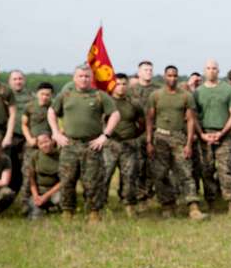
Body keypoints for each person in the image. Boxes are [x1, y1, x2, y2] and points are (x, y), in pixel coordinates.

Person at [48, 64, 120, 222]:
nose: (84, 79)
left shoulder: (99, 95)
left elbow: (114, 114)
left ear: (91, 78)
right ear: (74, 78)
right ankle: (67, 211)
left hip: (91, 146)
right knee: (67, 180)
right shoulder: (66, 95)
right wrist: (55, 133)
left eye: (87, 76)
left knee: (93, 181)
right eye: (80, 76)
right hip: (69, 145)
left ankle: (94, 212)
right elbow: (52, 112)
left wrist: (105, 136)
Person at [146, 65, 207, 220]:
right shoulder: (156, 95)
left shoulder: (186, 96)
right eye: (169, 75)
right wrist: (149, 141)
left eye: (174, 76)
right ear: (164, 76)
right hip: (160, 137)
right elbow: (150, 119)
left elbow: (191, 120)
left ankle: (193, 206)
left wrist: (188, 143)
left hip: (179, 137)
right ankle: (167, 205)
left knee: (186, 172)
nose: (172, 78)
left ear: (177, 77)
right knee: (161, 173)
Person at [194, 59, 231, 212]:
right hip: (204, 136)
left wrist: (222, 132)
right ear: (204, 71)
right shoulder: (198, 92)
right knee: (206, 170)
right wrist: (201, 134)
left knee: (226, 170)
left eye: (214, 68)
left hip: (224, 136)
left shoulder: (228, 90)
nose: (211, 71)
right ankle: (211, 203)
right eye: (208, 68)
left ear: (218, 71)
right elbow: (193, 115)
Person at [103, 74, 145, 217]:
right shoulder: (106, 101)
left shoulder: (134, 103)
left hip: (129, 145)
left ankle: (129, 205)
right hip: (110, 145)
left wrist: (133, 135)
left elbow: (142, 123)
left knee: (129, 176)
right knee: (105, 175)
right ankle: (100, 205)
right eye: (118, 83)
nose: (121, 87)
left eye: (124, 84)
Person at [128, 61, 160, 210]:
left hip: (155, 132)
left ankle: (151, 193)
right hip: (136, 134)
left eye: (150, 70)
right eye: (145, 69)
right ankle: (140, 197)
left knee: (153, 165)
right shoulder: (130, 90)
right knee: (138, 166)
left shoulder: (158, 90)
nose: (148, 72)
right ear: (139, 72)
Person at [19, 82, 54, 214]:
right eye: (42, 94)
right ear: (37, 94)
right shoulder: (30, 106)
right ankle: (25, 204)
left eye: (48, 94)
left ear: (51, 95)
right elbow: (24, 124)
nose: (45, 97)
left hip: (48, 146)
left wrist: (55, 136)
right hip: (32, 145)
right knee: (28, 173)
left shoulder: (54, 106)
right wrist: (29, 138)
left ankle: (46, 203)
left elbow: (62, 123)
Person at [8, 70, 33, 192]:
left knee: (26, 165)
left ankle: (25, 192)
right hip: (10, 136)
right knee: (11, 164)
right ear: (9, 81)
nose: (18, 82)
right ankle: (10, 190)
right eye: (15, 79)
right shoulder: (5, 95)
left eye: (20, 79)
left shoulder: (31, 97)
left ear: (24, 80)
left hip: (26, 137)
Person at [25, 133, 61, 219]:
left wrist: (46, 196)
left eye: (46, 141)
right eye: (41, 143)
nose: (45, 145)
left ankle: (54, 208)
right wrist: (36, 195)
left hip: (54, 191)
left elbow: (63, 181)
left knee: (59, 199)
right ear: (38, 145)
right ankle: (40, 209)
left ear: (52, 141)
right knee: (35, 217)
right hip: (39, 191)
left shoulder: (60, 155)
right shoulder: (35, 156)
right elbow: (32, 179)